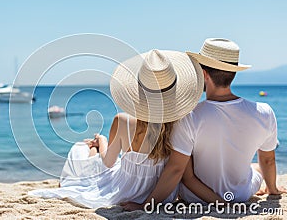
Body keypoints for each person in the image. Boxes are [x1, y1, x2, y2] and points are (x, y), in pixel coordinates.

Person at [29, 49, 223, 208]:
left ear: (139, 91)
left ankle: (78, 169)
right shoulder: (181, 125)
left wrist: (103, 141)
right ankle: (87, 158)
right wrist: (222, 203)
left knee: (81, 148)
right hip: (160, 197)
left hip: (124, 190)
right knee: (92, 153)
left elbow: (108, 162)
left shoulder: (122, 121)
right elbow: (181, 173)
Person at [122, 38, 286, 211]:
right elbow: (268, 160)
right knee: (257, 168)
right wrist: (273, 190)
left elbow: (177, 171)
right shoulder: (264, 112)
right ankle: (267, 187)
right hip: (240, 195)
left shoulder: (191, 116)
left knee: (253, 168)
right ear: (233, 73)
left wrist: (144, 205)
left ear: (204, 74)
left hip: (196, 199)